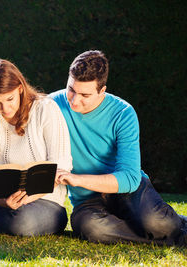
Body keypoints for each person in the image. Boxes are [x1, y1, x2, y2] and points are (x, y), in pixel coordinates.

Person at [50, 50, 186, 246]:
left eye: (85, 94)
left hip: (127, 192)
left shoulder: (123, 112)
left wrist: (77, 179)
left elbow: (130, 179)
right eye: (71, 89)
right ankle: (173, 237)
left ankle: (171, 227)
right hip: (88, 203)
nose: (74, 100)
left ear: (102, 90)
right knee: (93, 229)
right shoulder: (51, 105)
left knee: (158, 223)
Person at [0, 59, 73, 236]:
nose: (5, 108)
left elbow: (61, 166)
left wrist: (26, 197)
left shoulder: (45, 109)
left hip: (44, 199)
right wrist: (1, 201)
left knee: (22, 224)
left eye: (10, 99)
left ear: (20, 88)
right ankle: (0, 216)